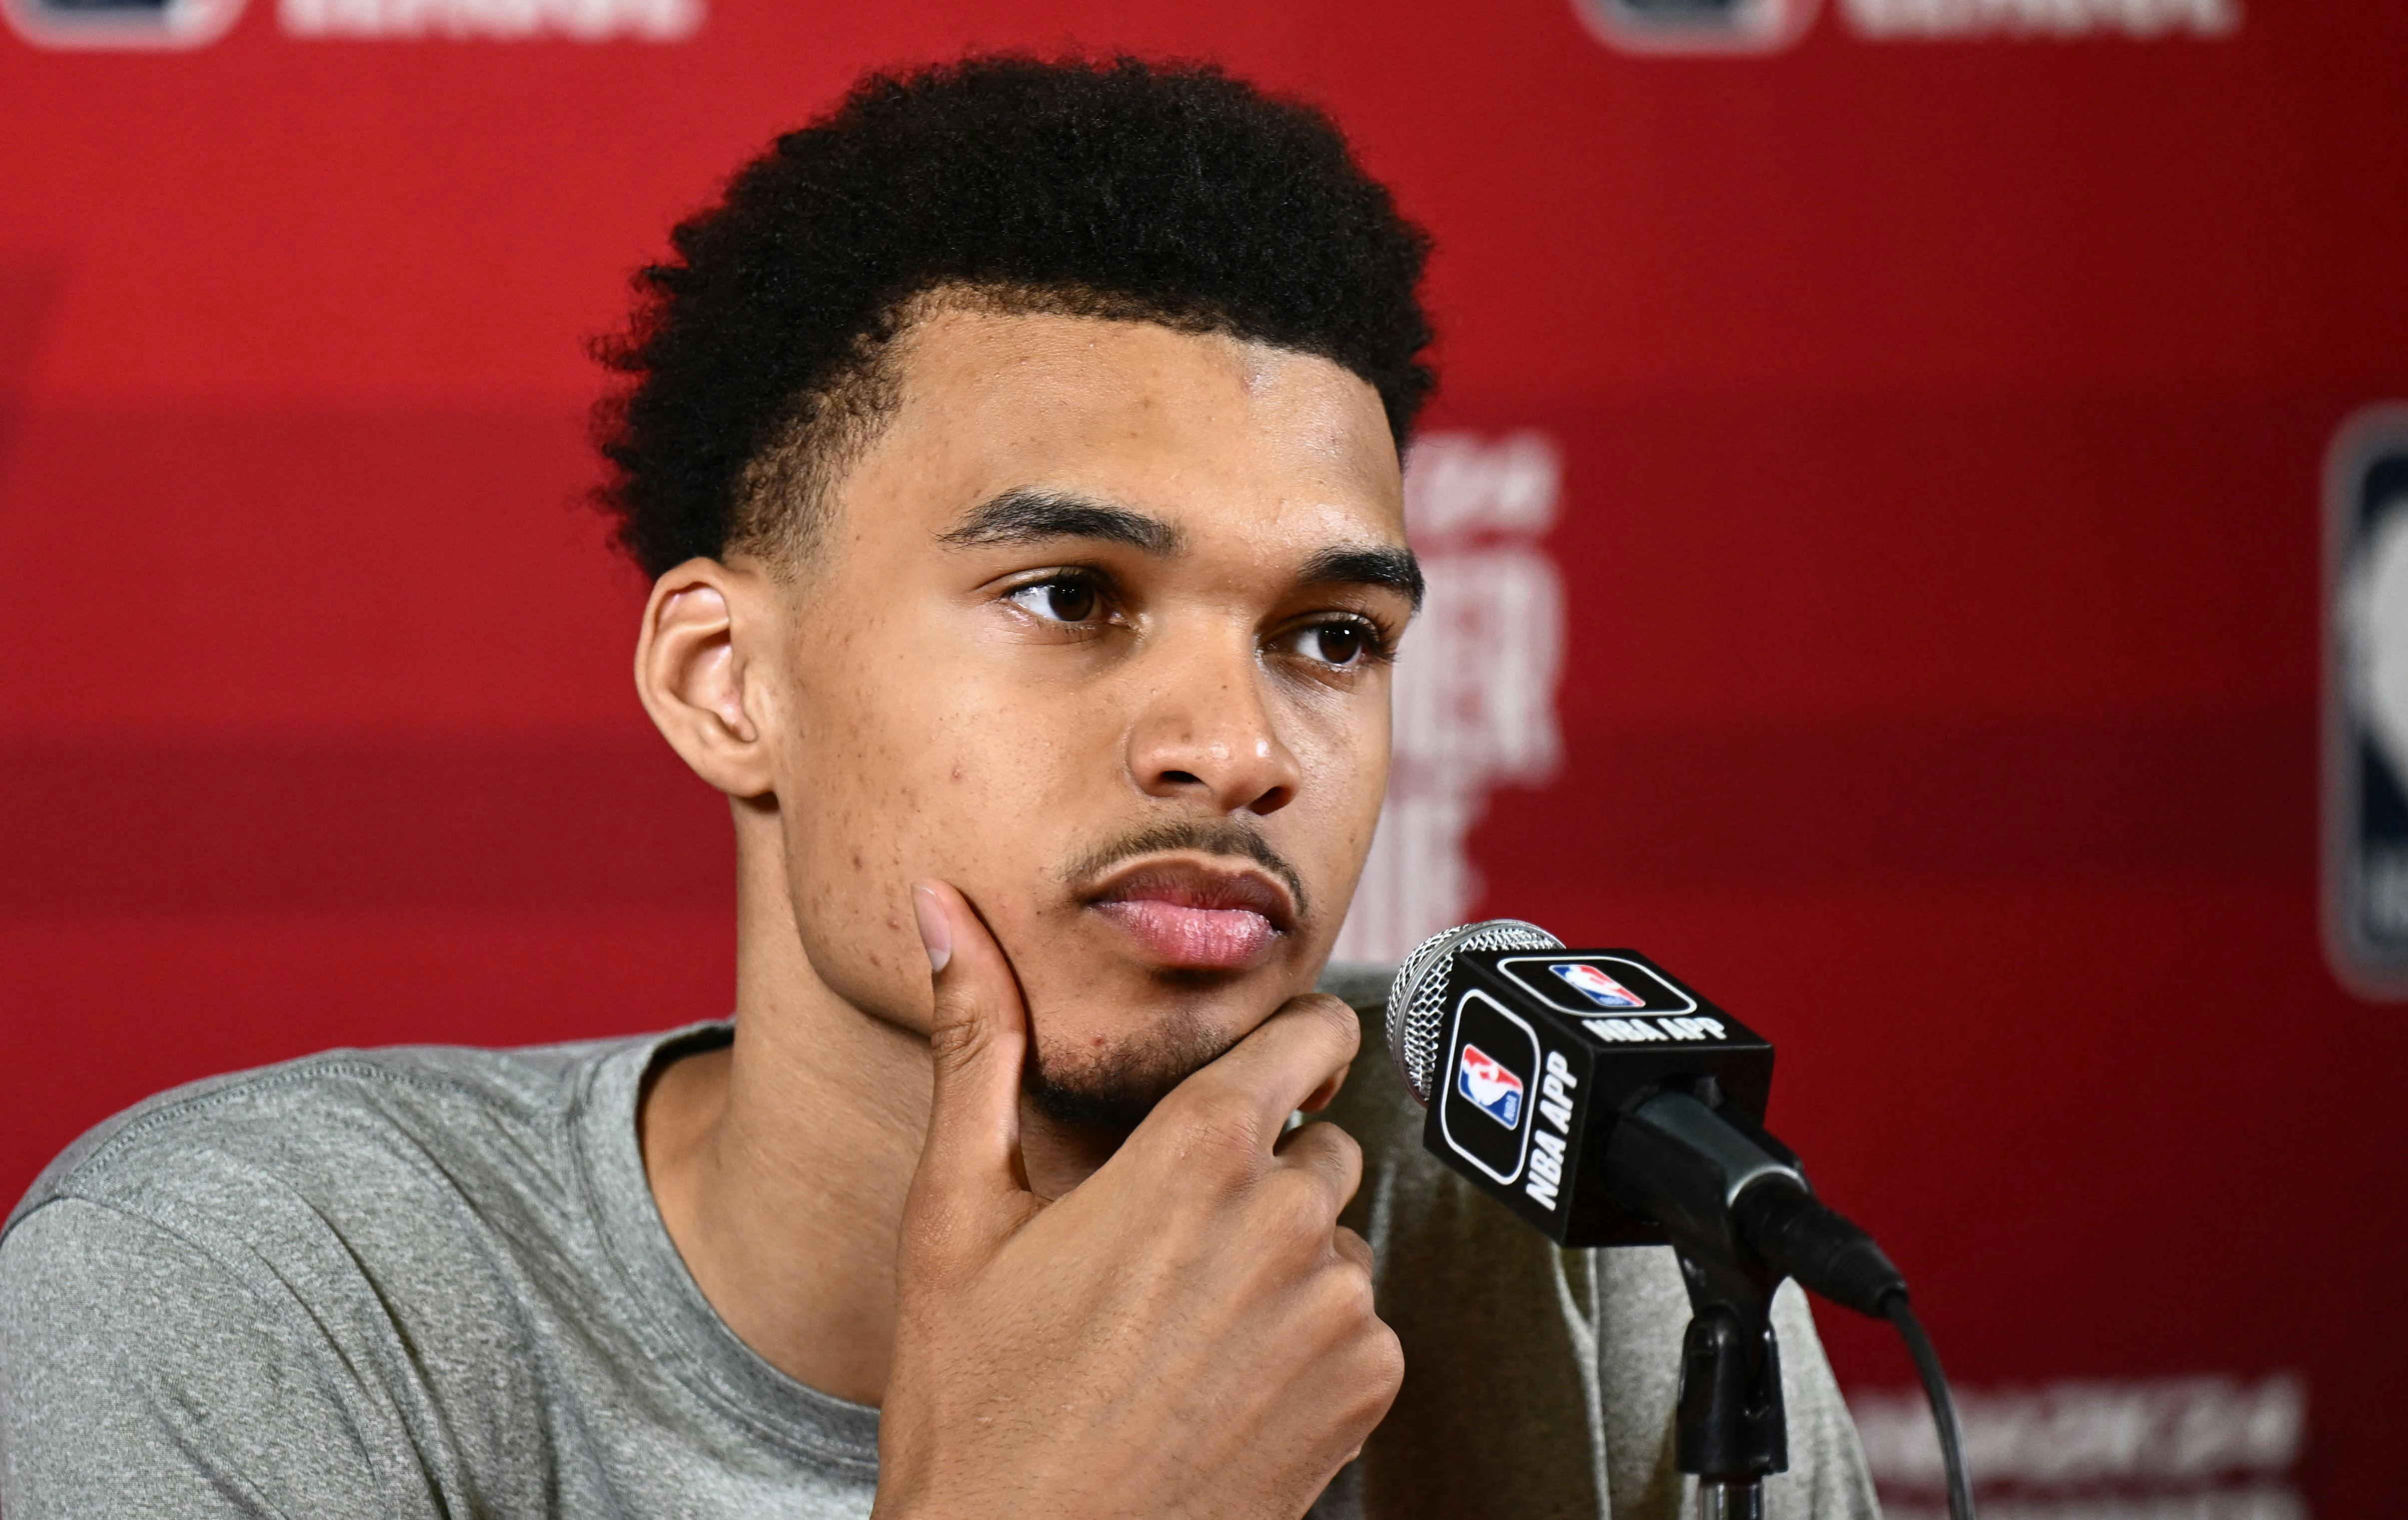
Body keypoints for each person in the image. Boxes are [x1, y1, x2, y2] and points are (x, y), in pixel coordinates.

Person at [0, 55, 1878, 1520]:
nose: (1235, 749)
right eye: (1072, 597)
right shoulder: (254, 1305)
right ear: (727, 685)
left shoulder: (1581, 1227)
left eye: (1328, 636)